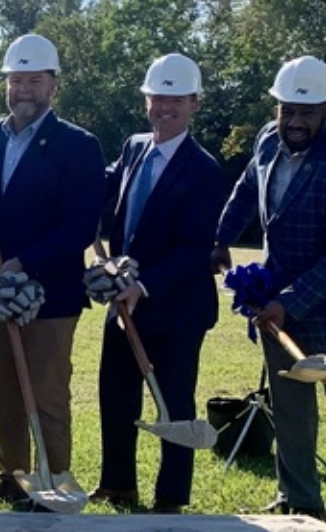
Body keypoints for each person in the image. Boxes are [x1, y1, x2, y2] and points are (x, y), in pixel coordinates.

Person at [213, 56, 326, 532]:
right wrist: (220, 238)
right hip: (279, 302)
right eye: (286, 110)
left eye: (305, 113)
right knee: (290, 407)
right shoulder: (268, 141)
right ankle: (298, 500)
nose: (293, 122)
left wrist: (288, 302)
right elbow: (247, 188)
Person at [0, 34, 104, 508]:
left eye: (34, 81)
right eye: (16, 81)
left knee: (48, 397)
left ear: (53, 86)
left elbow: (80, 226)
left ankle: (54, 482)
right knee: (4, 396)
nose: (24, 90)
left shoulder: (78, 145)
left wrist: (25, 262)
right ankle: (12, 478)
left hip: (50, 297)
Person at [89, 54, 227, 515]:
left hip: (176, 307)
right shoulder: (133, 147)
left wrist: (143, 287)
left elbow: (194, 250)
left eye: (176, 100)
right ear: (146, 101)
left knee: (175, 404)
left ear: (193, 104)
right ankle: (118, 485)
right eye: (157, 99)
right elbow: (104, 188)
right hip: (123, 304)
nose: (164, 108)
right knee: (116, 394)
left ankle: (171, 498)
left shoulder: (204, 171)